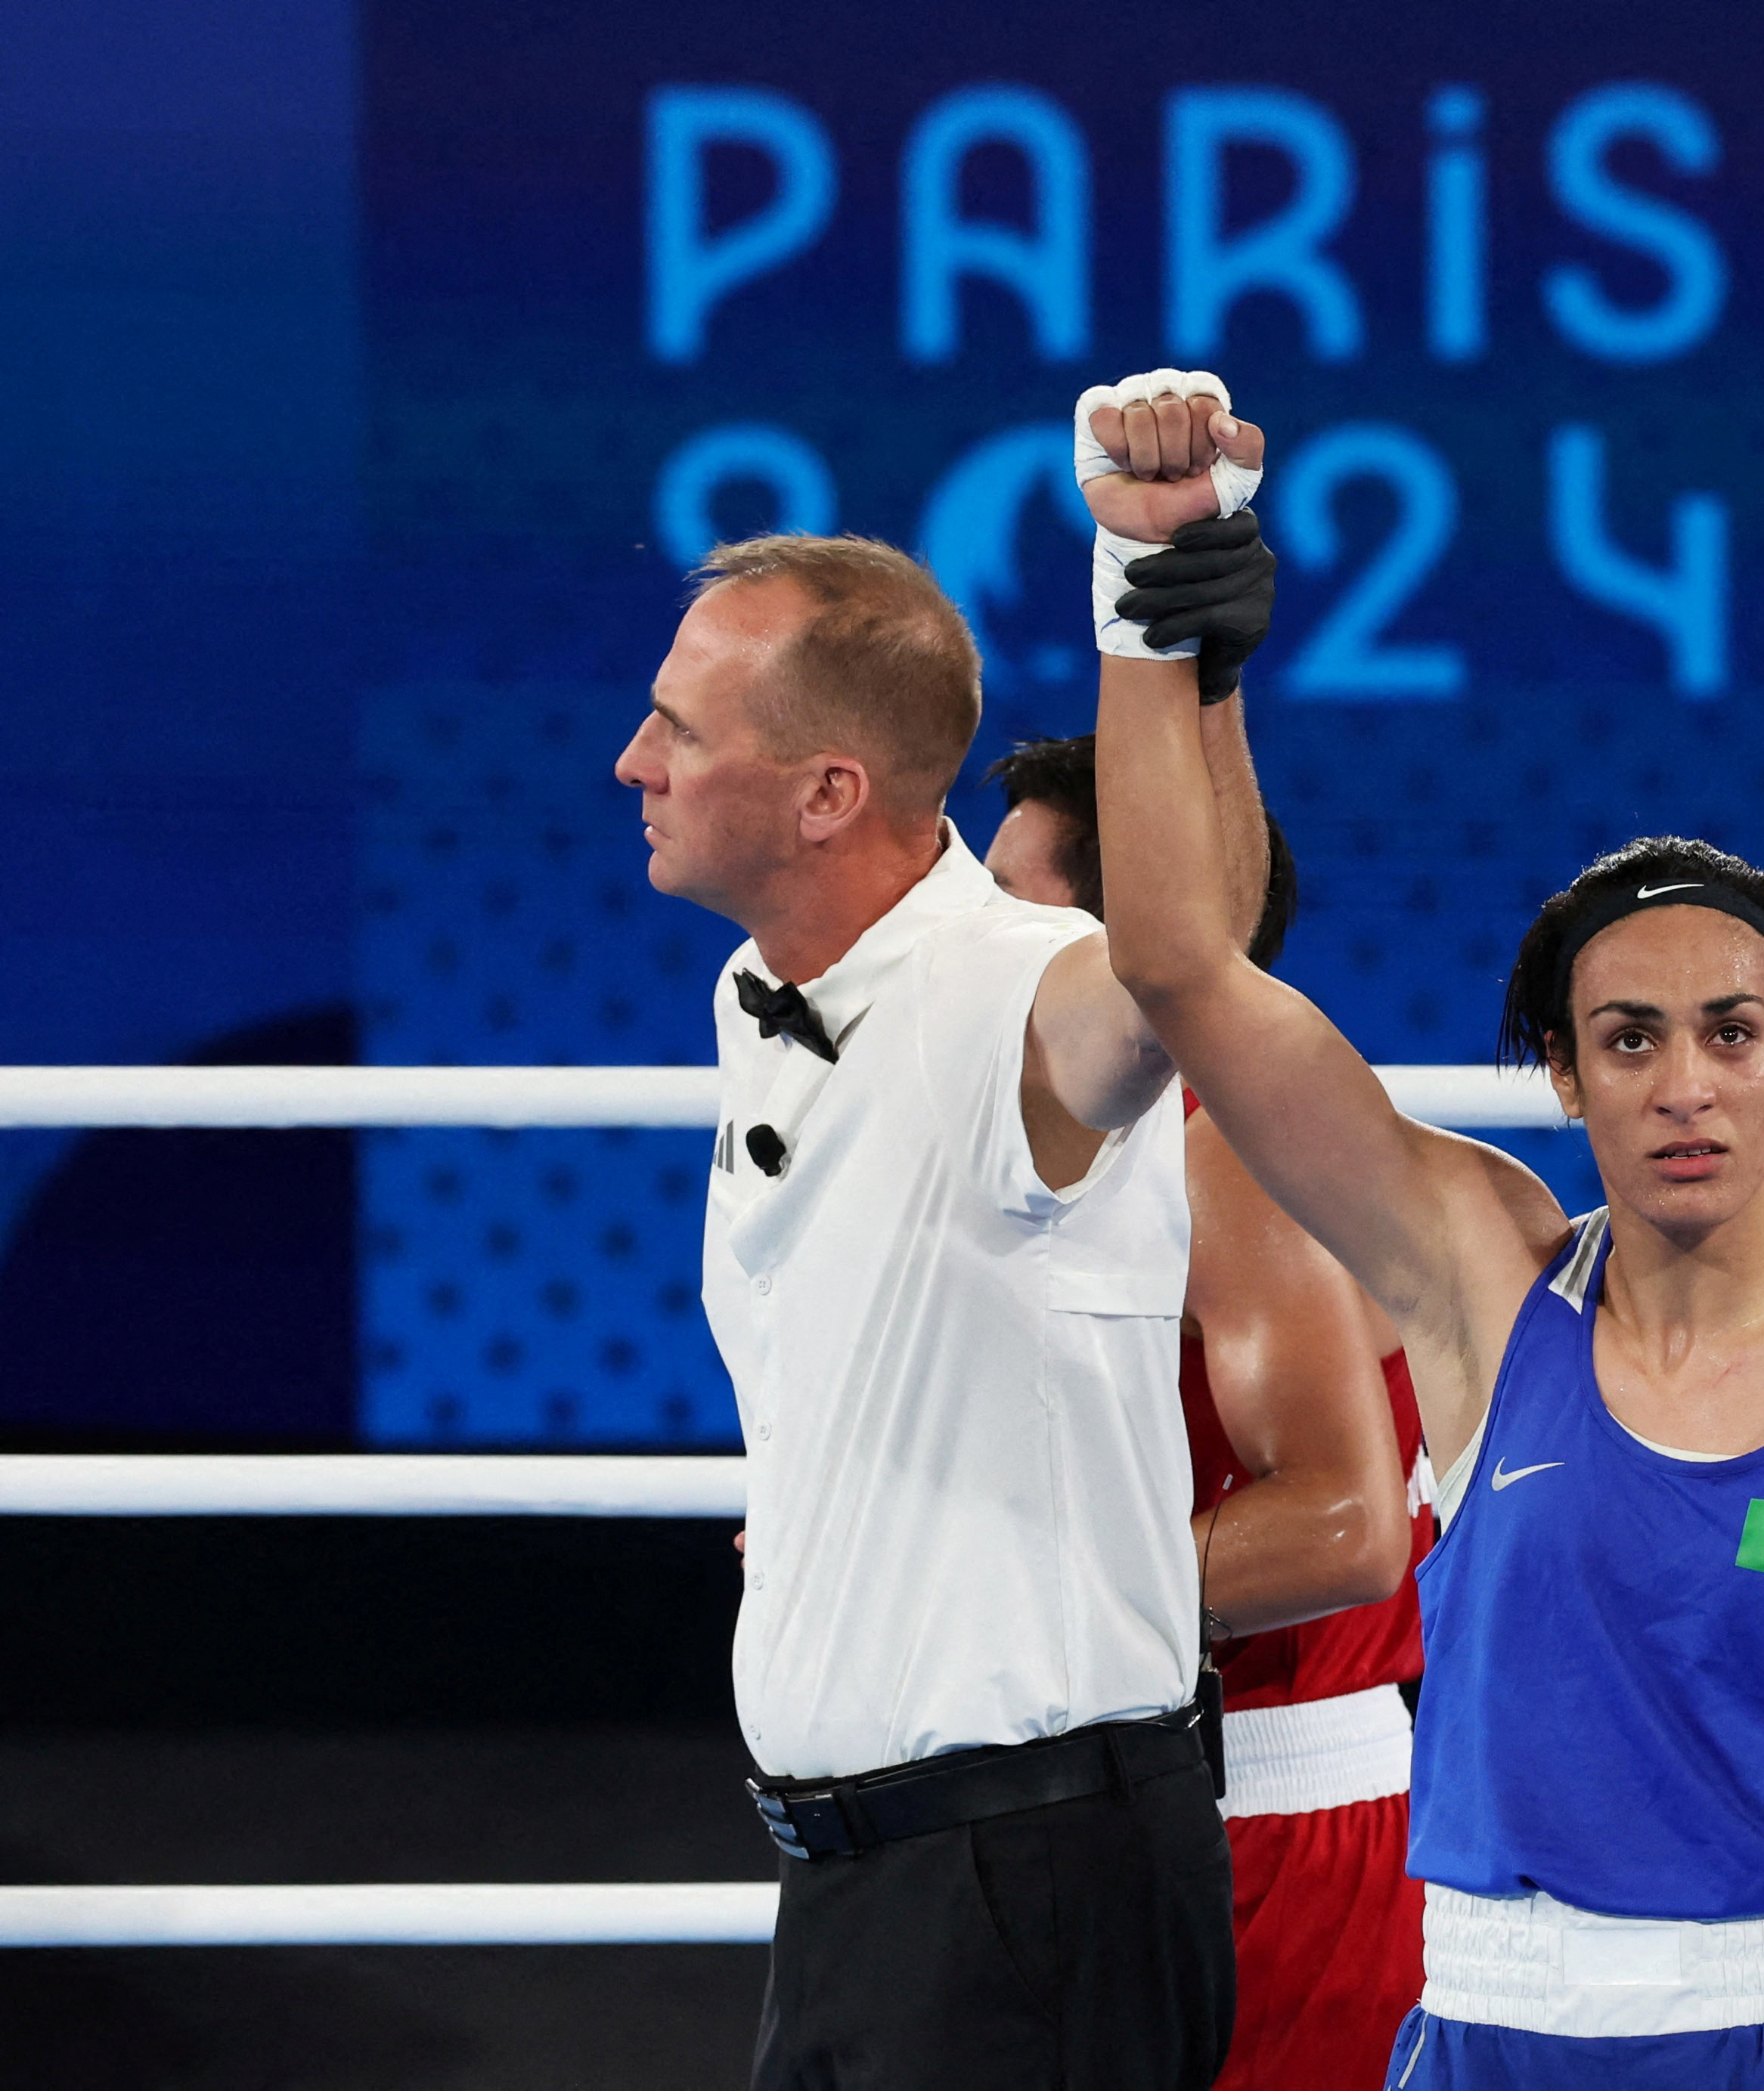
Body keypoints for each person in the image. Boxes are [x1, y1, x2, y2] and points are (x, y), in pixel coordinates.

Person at [1080, 372, 1764, 2086]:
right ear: (1566, 1084)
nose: (1685, 1086)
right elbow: (1181, 972)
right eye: (1629, 1040)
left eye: (1731, 1032)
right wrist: (1154, 597)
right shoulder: (1479, 1280)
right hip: (1488, 2028)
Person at [610, 489, 1270, 2091]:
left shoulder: (1012, 992)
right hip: (866, 1888)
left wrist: (1160, 634)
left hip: (1024, 1884)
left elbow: (1193, 967)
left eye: (679, 731)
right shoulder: (764, 983)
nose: (636, 762)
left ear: (830, 791)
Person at [983, 733, 1437, 2089]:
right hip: (1131, 1795)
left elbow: (1347, 1532)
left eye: (1005, 904)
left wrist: (967, 1604)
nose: (956, 941)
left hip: (1275, 1834)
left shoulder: (1228, 1154)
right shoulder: (1096, 1156)